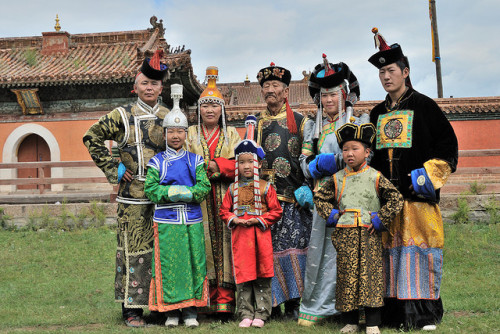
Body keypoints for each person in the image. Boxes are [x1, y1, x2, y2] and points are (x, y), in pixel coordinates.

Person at [367, 28, 458, 331]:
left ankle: (424, 315)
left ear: (405, 72)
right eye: (381, 72)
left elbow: (448, 148)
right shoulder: (377, 113)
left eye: (391, 70)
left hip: (417, 198)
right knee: (390, 255)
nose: (386, 76)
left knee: (418, 252)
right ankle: (393, 315)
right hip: (387, 200)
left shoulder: (425, 106)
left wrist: (420, 179)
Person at [83, 50, 169, 327]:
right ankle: (131, 310)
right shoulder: (122, 115)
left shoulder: (170, 116)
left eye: (154, 84)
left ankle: (159, 306)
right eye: (144, 83)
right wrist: (113, 167)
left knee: (161, 250)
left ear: (161, 88)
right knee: (133, 251)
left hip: (164, 198)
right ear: (136, 85)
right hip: (131, 199)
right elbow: (91, 136)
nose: (149, 88)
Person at [298, 54, 369, 326]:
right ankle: (319, 307)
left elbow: (366, 157)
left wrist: (336, 161)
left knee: (350, 253)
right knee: (321, 254)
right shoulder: (314, 127)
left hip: (353, 198)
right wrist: (317, 166)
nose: (328, 101)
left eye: (333, 95)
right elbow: (304, 164)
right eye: (324, 96)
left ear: (344, 94)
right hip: (323, 199)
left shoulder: (359, 121)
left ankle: (354, 310)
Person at [314, 122, 403, 334]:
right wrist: (333, 215)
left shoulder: (375, 176)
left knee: (370, 277)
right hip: (345, 235)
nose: (349, 154)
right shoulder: (337, 178)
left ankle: (372, 323)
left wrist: (380, 219)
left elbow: (396, 198)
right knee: (347, 277)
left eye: (355, 149)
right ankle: (351, 322)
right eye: (345, 149)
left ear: (367, 152)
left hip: (368, 233)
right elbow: (320, 198)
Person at [144, 86, 211, 328]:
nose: (175, 136)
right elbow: (151, 190)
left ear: (186, 134)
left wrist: (190, 193)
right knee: (170, 266)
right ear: (164, 134)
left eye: (179, 131)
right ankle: (170, 311)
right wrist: (172, 192)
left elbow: (204, 187)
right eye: (171, 131)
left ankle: (191, 310)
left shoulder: (196, 161)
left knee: (194, 263)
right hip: (167, 222)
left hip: (191, 220)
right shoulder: (157, 162)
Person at [254, 62, 314, 319]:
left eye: (275, 85)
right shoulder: (256, 123)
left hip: (292, 198)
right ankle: (272, 303)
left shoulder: (301, 122)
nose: (270, 90)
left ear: (286, 91)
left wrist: (307, 189)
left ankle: (294, 303)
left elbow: (309, 159)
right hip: (264, 199)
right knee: (269, 253)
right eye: (266, 86)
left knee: (294, 251)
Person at [186, 66, 241, 320]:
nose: (210, 110)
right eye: (205, 106)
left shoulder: (231, 134)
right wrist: (203, 170)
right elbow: (183, 162)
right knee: (200, 247)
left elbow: (241, 163)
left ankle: (225, 302)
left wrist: (216, 166)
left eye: (214, 106)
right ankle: (202, 301)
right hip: (198, 202)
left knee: (227, 249)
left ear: (222, 110)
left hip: (226, 199)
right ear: (199, 110)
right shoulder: (190, 134)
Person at [220, 115, 283, 328]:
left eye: (251, 162)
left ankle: (262, 313)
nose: (247, 166)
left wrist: (259, 219)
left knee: (262, 274)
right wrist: (234, 219)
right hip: (240, 237)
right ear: (236, 165)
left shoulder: (266, 187)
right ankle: (245, 312)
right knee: (244, 275)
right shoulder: (232, 189)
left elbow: (276, 211)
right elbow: (224, 211)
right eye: (242, 162)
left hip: (260, 237)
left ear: (259, 163)